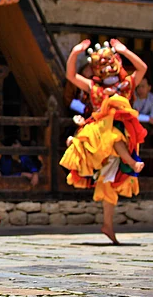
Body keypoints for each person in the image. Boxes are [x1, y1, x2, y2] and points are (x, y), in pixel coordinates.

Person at [60, 40, 148, 245]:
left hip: (121, 139)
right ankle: (127, 161)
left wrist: (125, 51)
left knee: (108, 182)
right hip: (100, 135)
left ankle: (108, 225)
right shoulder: (95, 88)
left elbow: (142, 68)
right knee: (111, 134)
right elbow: (71, 76)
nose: (108, 67)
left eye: (111, 61)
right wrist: (74, 53)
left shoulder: (126, 86)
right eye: (103, 63)